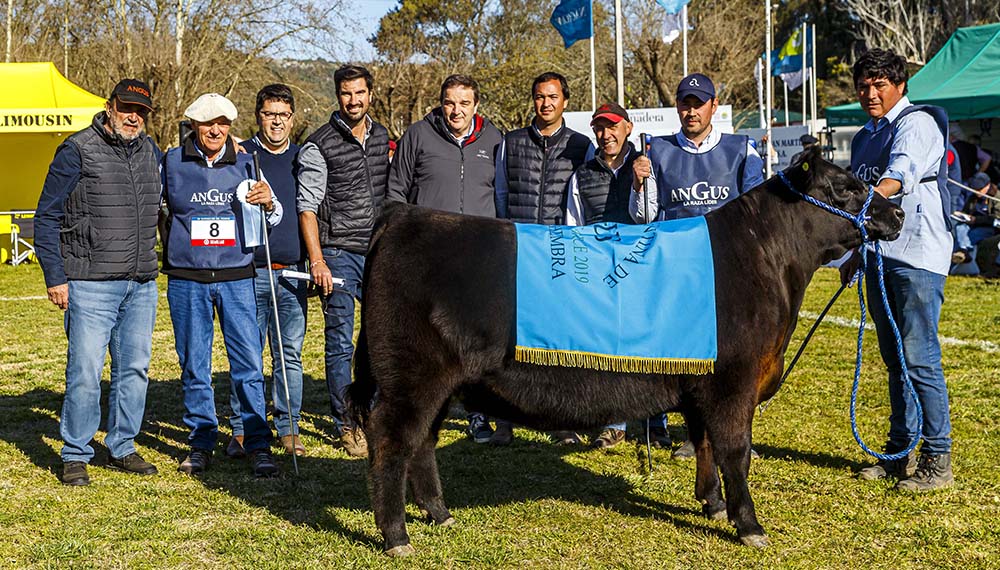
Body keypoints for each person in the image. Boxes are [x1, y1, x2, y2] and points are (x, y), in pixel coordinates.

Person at [624, 73, 765, 457]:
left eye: (698, 103)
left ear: (713, 106)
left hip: (731, 271)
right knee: (689, 356)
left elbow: (758, 211)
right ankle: (695, 435)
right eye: (685, 103)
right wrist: (637, 185)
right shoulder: (657, 151)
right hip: (680, 271)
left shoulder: (742, 149)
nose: (691, 110)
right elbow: (644, 216)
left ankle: (738, 436)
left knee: (736, 357)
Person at [35, 79, 162, 486]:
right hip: (89, 282)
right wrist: (56, 277)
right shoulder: (76, 150)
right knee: (85, 371)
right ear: (109, 107)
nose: (133, 116)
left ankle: (122, 446)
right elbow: (46, 217)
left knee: (135, 370)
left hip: (140, 282)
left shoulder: (150, 151)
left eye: (140, 111)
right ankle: (75, 452)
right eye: (126, 108)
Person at [843, 48, 954, 491]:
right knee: (894, 360)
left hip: (918, 256)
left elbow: (899, 175)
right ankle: (897, 452)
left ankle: (937, 458)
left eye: (880, 84)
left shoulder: (917, 123)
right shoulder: (862, 136)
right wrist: (854, 250)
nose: (870, 93)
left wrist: (867, 197)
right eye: (864, 85)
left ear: (900, 85)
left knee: (919, 357)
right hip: (878, 256)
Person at [162, 93, 282, 478]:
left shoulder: (249, 162)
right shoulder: (172, 162)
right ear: (194, 125)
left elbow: (275, 216)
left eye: (224, 123)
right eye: (208, 123)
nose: (216, 130)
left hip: (236, 278)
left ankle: (257, 442)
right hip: (187, 279)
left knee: (247, 363)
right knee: (194, 364)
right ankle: (200, 442)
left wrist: (269, 202)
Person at [387, 74, 503, 443]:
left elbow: (502, 195)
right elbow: (395, 194)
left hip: (479, 257)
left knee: (477, 342)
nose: (456, 110)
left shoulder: (495, 139)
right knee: (428, 342)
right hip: (429, 258)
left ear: (476, 106)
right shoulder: (418, 136)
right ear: (440, 103)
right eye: (449, 102)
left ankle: (478, 413)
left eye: (464, 103)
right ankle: (427, 412)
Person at [490, 71, 594, 446]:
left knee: (557, 340)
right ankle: (505, 416)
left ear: (565, 100)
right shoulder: (511, 142)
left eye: (552, 97)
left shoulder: (582, 146)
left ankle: (561, 418)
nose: (545, 103)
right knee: (510, 339)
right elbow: (501, 194)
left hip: (560, 254)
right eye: (539, 97)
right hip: (518, 252)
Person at [297, 65, 390, 458]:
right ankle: (347, 423)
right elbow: (307, 208)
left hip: (377, 251)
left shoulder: (382, 136)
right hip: (336, 252)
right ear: (337, 96)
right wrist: (317, 260)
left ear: (370, 94)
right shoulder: (319, 144)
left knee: (376, 340)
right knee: (339, 340)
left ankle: (372, 414)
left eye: (360, 93)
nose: (353, 100)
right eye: (346, 94)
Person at [227, 84, 306, 458]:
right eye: (269, 114)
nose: (277, 121)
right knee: (248, 353)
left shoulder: (303, 158)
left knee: (288, 353)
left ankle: (288, 426)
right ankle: (244, 427)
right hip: (249, 271)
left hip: (290, 272)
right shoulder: (242, 156)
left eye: (283, 115)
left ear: (292, 119)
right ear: (257, 116)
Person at [950, 172, 999, 272]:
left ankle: (963, 252)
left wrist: (976, 220)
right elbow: (966, 211)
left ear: (988, 185)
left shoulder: (996, 198)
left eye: (979, 189)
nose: (977, 192)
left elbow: (997, 218)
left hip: (989, 227)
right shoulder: (973, 197)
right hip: (972, 224)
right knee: (960, 227)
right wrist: (961, 215)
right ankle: (963, 251)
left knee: (973, 234)